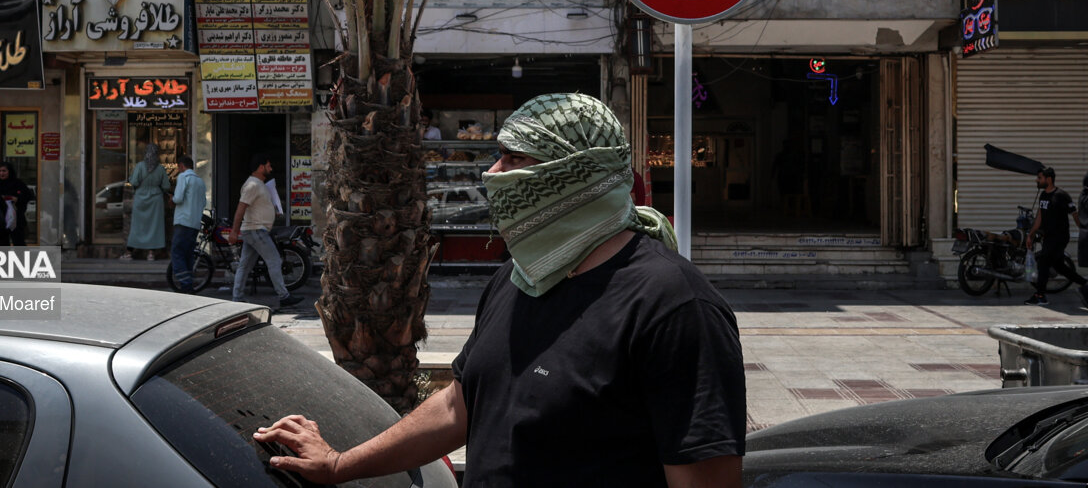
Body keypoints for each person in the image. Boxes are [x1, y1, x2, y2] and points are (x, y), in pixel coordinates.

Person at [253, 93, 745, 487]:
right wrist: (340, 465)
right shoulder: (519, 277)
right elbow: (459, 406)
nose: (492, 174)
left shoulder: (674, 305)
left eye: (513, 158)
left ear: (575, 176)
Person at [231, 152, 302, 309]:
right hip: (256, 230)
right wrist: (234, 232)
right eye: (268, 165)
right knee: (274, 260)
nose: (271, 168)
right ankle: (284, 296)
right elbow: (241, 208)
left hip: (254, 230)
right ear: (261, 167)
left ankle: (237, 297)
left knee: (245, 265)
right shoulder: (252, 185)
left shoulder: (259, 184)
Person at [1025, 165, 1088, 306]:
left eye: (1039, 178)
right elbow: (1039, 217)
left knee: (1043, 262)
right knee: (1059, 266)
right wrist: (1030, 235)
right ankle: (1085, 284)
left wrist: (1084, 230)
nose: (1037, 180)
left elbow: (1075, 214)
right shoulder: (1043, 195)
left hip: (1059, 237)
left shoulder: (1062, 196)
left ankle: (1040, 295)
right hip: (1048, 237)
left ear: (1049, 179)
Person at [123, 143, 170, 261]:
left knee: (137, 227)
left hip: (140, 198)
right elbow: (166, 186)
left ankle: (129, 253)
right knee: (154, 227)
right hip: (156, 200)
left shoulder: (139, 166)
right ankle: (151, 254)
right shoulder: (160, 169)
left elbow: (134, 182)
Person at [170, 155, 208, 293]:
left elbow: (178, 198)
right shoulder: (200, 181)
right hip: (194, 223)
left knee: (177, 252)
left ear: (181, 166)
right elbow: (203, 203)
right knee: (188, 254)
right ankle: (189, 282)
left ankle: (185, 284)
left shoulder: (183, 177)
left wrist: (172, 199)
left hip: (183, 221)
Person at [0, 162, 33, 247]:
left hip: (16, 219)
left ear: (9, 171)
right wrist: (1, 199)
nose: (1, 173)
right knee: (1, 243)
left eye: (4, 171)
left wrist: (17, 199)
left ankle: (22, 259)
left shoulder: (17, 183)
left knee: (18, 242)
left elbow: (28, 195)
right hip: (0, 219)